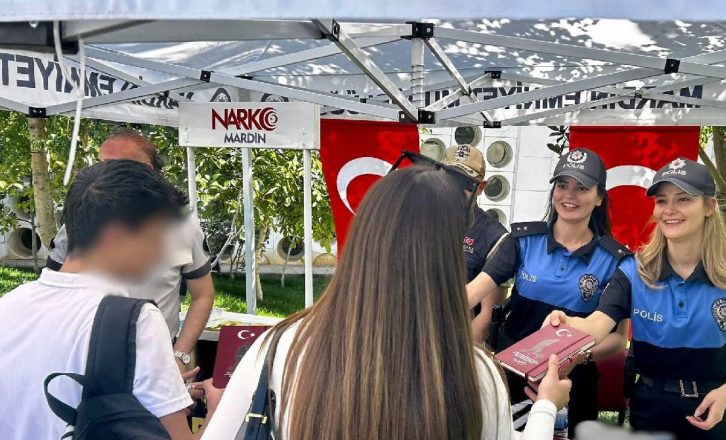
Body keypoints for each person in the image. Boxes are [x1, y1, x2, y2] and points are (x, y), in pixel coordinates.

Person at [200, 165, 574, 440]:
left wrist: (219, 407)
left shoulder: (279, 348)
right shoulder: (474, 373)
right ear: (447, 257)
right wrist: (544, 406)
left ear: (363, 237)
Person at [545, 158, 726, 439]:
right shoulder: (633, 271)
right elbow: (597, 324)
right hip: (651, 413)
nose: (670, 210)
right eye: (662, 200)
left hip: (724, 414)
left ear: (709, 206)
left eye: (683, 199)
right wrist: (567, 321)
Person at [0, 160, 216, 440]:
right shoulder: (135, 321)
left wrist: (163, 390)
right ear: (117, 236)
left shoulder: (9, 304)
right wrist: (218, 412)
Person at [466, 148, 631, 435]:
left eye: (581, 188)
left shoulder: (616, 260)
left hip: (573, 385)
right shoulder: (522, 241)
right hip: (512, 380)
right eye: (562, 185)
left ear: (599, 197)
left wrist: (578, 357)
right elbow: (473, 291)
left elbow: (618, 340)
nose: (569, 195)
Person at [47, 128, 215, 372]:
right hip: (82, 358)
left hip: (154, 359)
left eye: (120, 167)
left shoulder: (180, 222)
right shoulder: (77, 221)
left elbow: (203, 294)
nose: (106, 174)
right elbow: (54, 286)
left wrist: (180, 356)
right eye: (102, 164)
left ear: (149, 173)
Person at [442, 144, 510, 343]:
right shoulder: (420, 222)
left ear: (481, 187)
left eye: (465, 182)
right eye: (449, 178)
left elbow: (485, 318)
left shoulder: (495, 237)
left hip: (458, 341)